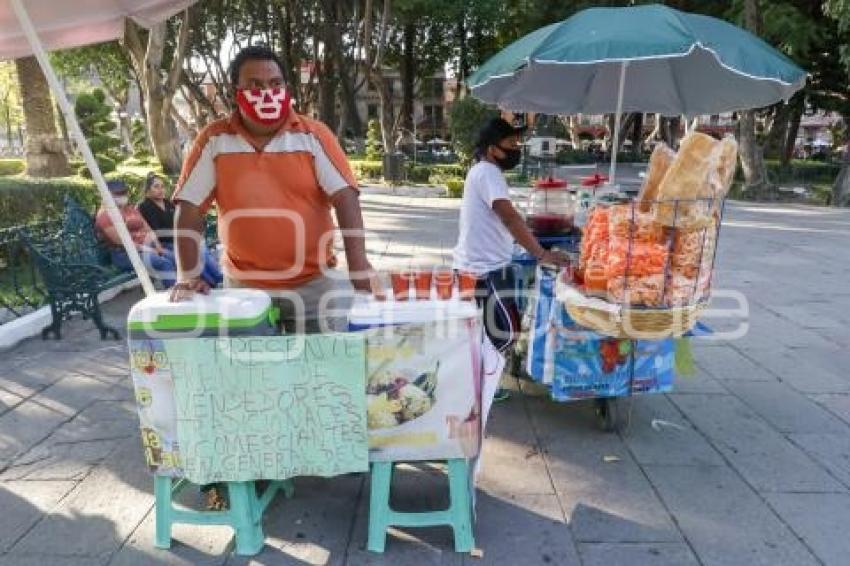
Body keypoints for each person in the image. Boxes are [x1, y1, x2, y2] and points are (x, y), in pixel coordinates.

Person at [170, 45, 382, 331]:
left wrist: (359, 265)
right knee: (251, 371)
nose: (267, 92)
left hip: (313, 285)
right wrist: (187, 275)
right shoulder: (213, 141)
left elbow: (345, 198)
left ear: (286, 87)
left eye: (275, 83)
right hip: (244, 290)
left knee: (319, 370)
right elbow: (190, 209)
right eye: (254, 85)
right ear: (236, 92)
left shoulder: (313, 136)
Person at [453, 118, 569, 400]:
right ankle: (483, 386)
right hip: (484, 269)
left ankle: (481, 382)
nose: (516, 149)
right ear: (493, 149)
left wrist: (522, 235)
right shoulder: (488, 173)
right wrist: (540, 253)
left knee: (488, 330)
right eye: (511, 144)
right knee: (505, 331)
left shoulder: (481, 171)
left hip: (479, 264)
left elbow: (505, 219)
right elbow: (508, 217)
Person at [138, 172, 222, 287]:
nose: (161, 190)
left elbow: (183, 220)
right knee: (194, 253)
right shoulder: (145, 206)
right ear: (148, 190)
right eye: (156, 187)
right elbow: (157, 231)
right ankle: (213, 281)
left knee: (201, 249)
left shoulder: (168, 203)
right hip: (166, 243)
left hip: (181, 238)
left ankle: (216, 279)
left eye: (162, 186)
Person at [95, 180, 177, 287]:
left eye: (124, 192)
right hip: (126, 254)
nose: (123, 195)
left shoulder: (130, 209)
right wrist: (150, 250)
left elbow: (147, 228)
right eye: (118, 193)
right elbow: (123, 242)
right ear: (106, 195)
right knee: (164, 262)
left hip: (147, 246)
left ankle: (186, 287)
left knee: (176, 256)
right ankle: (174, 293)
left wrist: (158, 246)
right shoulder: (105, 216)